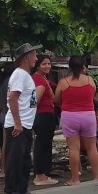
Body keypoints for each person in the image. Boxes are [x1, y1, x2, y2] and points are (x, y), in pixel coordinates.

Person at [4, 43, 41, 194]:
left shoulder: (26, 75)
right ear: (26, 58)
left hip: (26, 123)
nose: (36, 58)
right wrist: (18, 123)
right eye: (34, 55)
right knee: (15, 158)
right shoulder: (20, 74)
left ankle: (22, 188)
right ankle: (12, 191)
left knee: (25, 158)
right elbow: (13, 98)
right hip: (17, 124)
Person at [55, 57, 98, 186]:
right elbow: (93, 96)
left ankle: (75, 178)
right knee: (92, 147)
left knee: (74, 148)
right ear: (83, 67)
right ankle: (96, 175)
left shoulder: (64, 82)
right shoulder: (90, 80)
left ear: (69, 68)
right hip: (88, 115)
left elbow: (57, 99)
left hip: (69, 115)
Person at [30, 55, 58, 187]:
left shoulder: (42, 79)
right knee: (42, 144)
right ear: (37, 65)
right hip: (43, 114)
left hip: (45, 114)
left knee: (45, 144)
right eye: (43, 64)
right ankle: (40, 175)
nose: (47, 66)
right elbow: (33, 100)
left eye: (48, 64)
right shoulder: (38, 80)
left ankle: (44, 174)